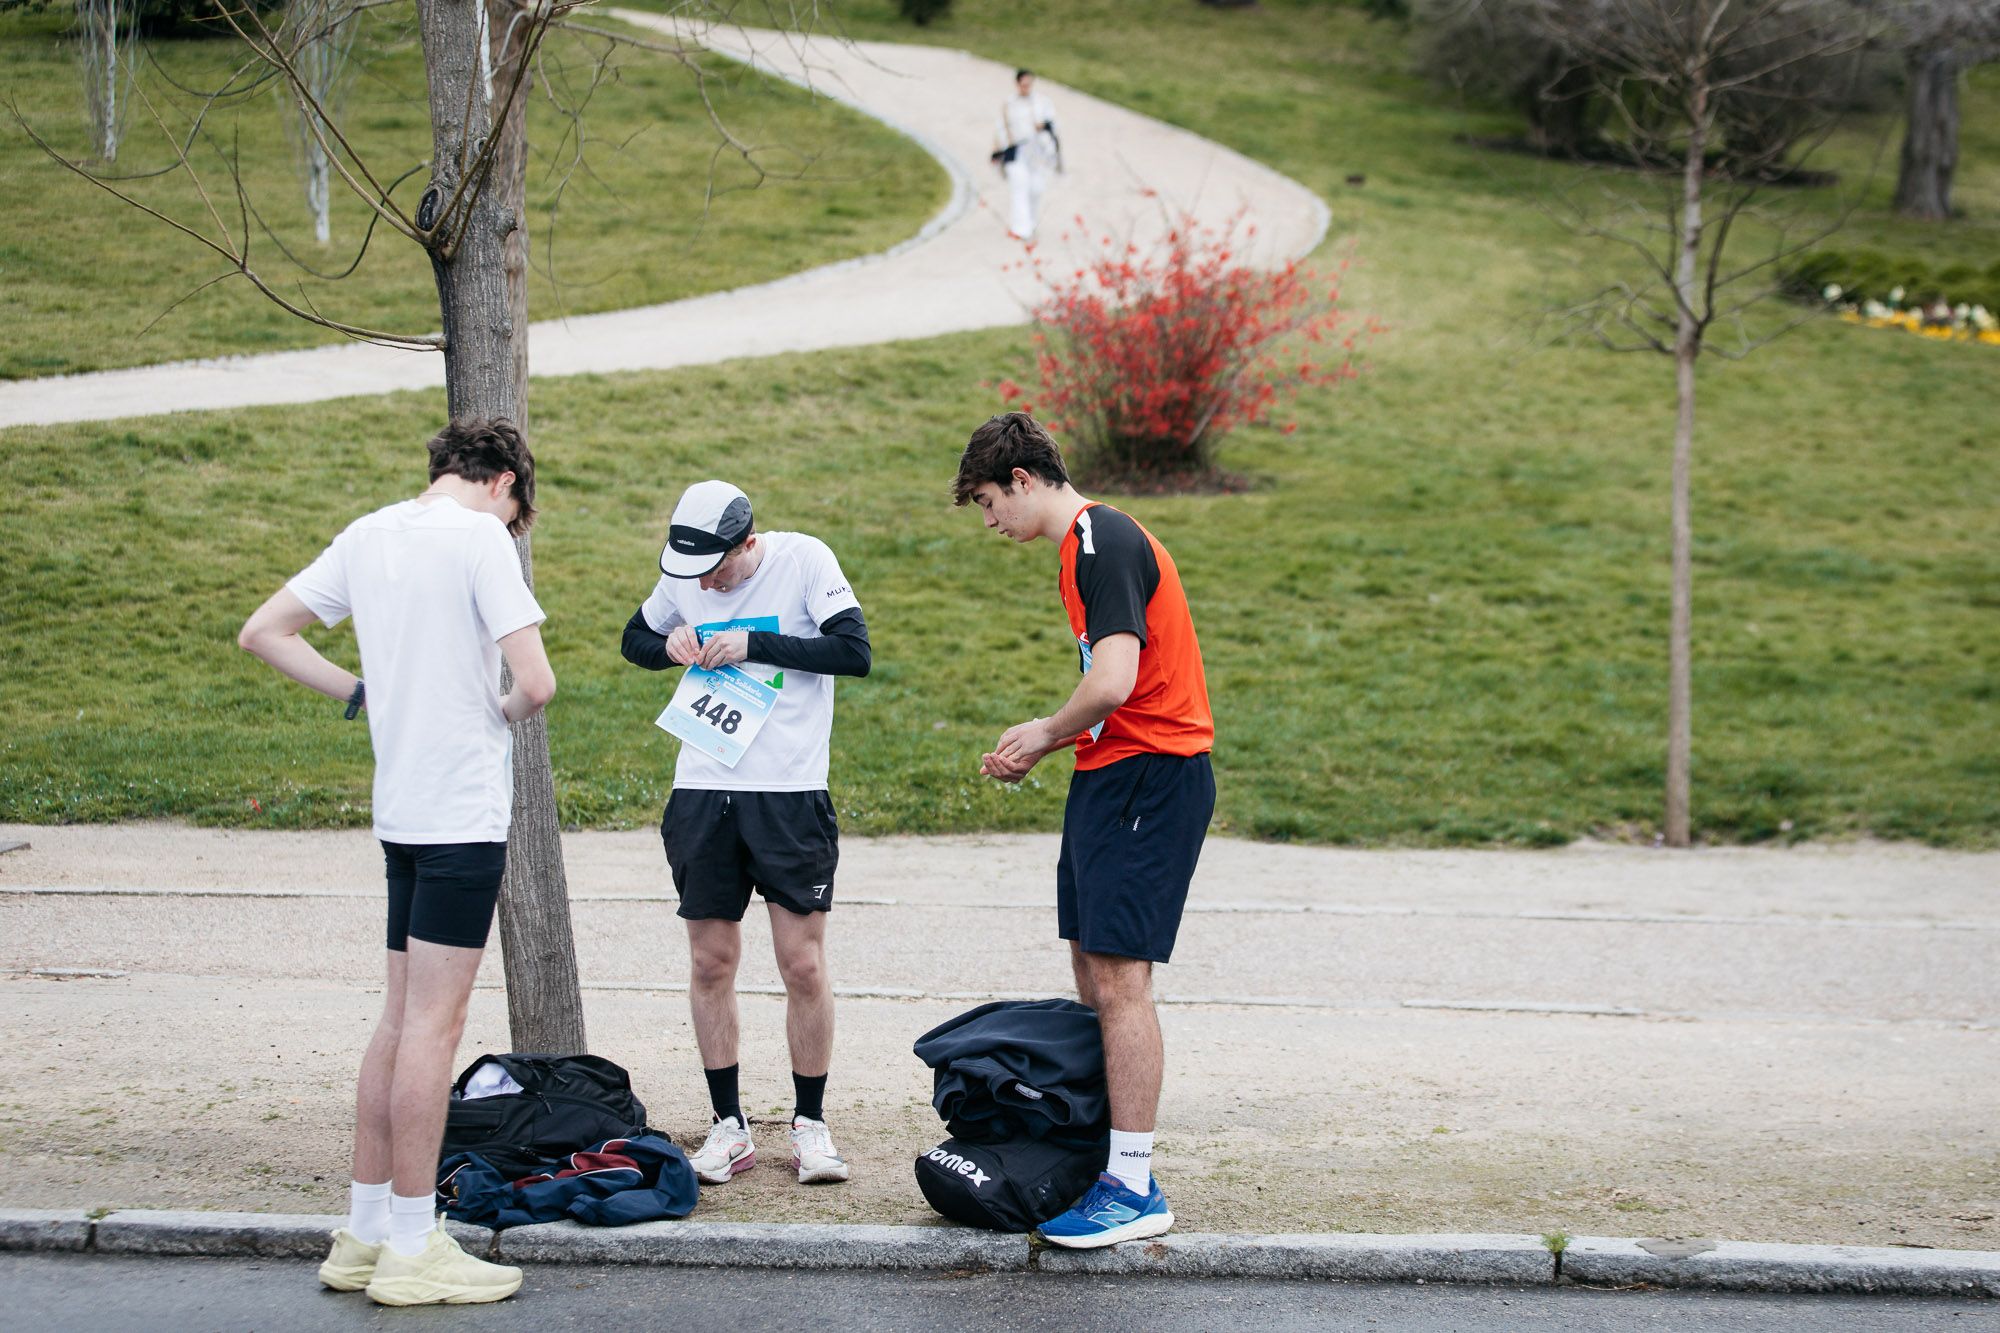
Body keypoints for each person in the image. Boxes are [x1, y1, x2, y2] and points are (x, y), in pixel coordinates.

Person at [238, 418, 554, 1306]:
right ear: (505, 485)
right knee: (433, 1029)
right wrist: (490, 713)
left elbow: (264, 630)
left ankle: (366, 1229)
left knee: (396, 1018)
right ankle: (417, 1245)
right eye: (518, 510)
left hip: (402, 814)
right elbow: (536, 683)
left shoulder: (369, 533)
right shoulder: (483, 541)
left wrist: (364, 696)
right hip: (459, 812)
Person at [951, 412, 1215, 1249]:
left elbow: (1112, 680)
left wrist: (1041, 731)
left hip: (1153, 772)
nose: (991, 523)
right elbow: (1108, 692)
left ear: (1024, 479)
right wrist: (1055, 743)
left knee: (1119, 979)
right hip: (1112, 774)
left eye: (991, 503)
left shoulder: (1103, 538)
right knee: (1092, 970)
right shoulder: (1080, 552)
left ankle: (1132, 1187)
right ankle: (1109, 1157)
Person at [620, 480, 871, 1189]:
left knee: (802, 963)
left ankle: (809, 1124)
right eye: (693, 572)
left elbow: (855, 652)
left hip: (788, 793)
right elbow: (632, 638)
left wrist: (753, 642)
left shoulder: (804, 561)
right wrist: (668, 645)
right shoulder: (686, 575)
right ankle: (727, 1125)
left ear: (748, 543)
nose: (704, 582)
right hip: (703, 788)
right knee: (711, 961)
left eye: (717, 569)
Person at [992, 67, 1061, 241]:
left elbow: (1053, 124)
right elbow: (1001, 128)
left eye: (1029, 84)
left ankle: (1031, 222)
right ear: (1017, 84)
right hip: (1016, 151)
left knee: (1036, 188)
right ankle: (1020, 228)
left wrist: (1043, 126)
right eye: (1023, 84)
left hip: (1038, 151)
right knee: (1019, 186)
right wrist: (998, 149)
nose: (1026, 87)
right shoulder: (1009, 104)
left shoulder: (1042, 102)